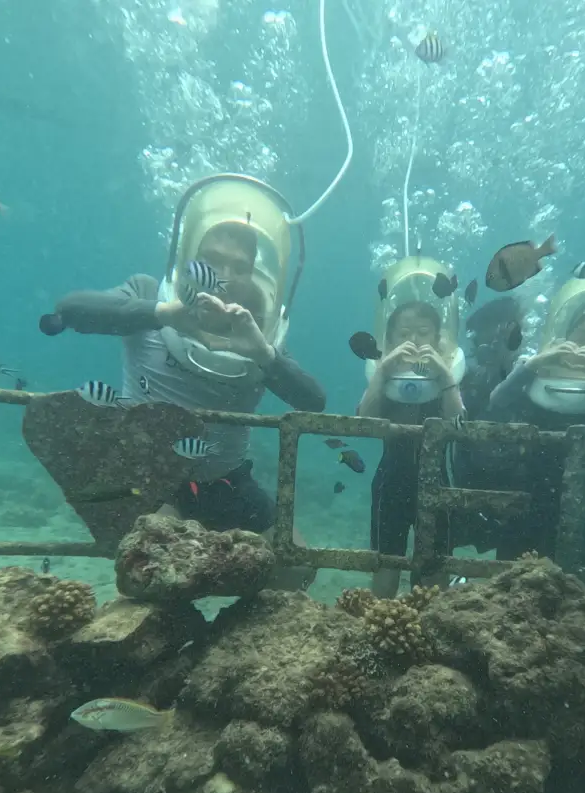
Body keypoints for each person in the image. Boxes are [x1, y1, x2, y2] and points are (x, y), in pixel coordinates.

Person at [40, 176, 326, 589]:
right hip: (148, 477)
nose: (223, 277)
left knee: (298, 567)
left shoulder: (262, 329)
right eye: (212, 260)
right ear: (189, 256)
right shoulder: (149, 293)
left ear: (255, 273)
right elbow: (71, 310)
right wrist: (163, 314)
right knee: (157, 570)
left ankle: (234, 637)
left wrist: (264, 354)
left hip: (226, 480)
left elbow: (313, 401)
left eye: (239, 267)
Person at [453, 264, 585, 566]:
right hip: (525, 503)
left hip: (579, 506)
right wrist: (533, 364)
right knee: (513, 577)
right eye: (584, 334)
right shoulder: (540, 373)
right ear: (566, 335)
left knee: (576, 579)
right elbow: (498, 400)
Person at [357, 259, 466, 598]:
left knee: (433, 570)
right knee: (386, 564)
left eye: (423, 333)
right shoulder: (384, 374)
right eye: (403, 334)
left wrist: (445, 375)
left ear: (438, 336)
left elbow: (459, 424)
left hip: (437, 485)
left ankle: (430, 632)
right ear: (389, 338)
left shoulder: (448, 373)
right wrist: (383, 371)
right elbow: (365, 422)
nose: (414, 341)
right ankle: (377, 629)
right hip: (390, 483)